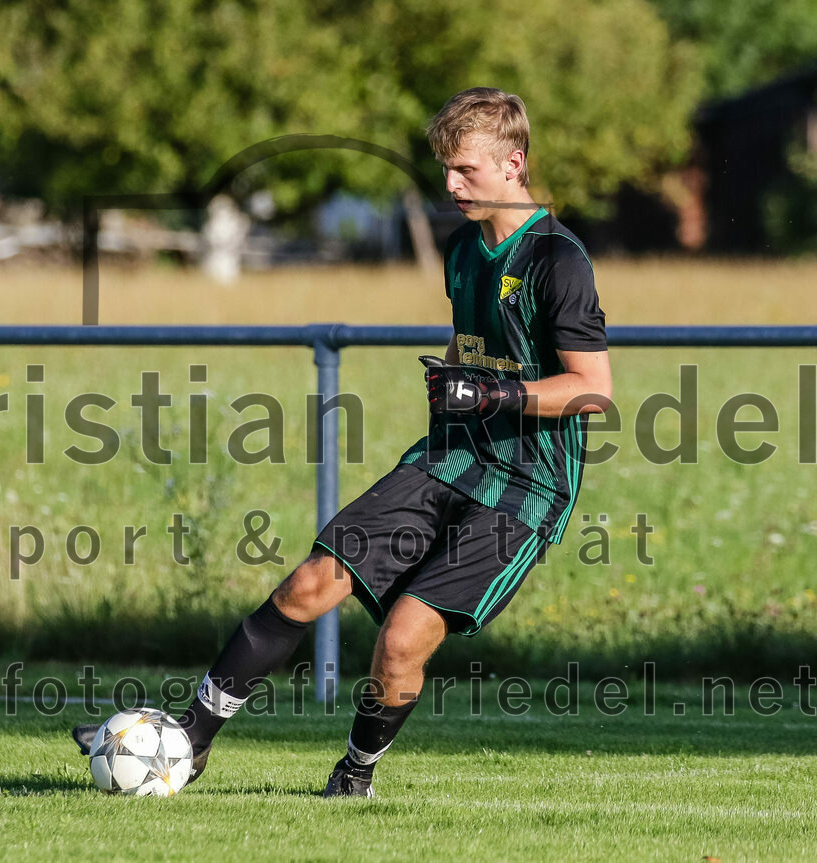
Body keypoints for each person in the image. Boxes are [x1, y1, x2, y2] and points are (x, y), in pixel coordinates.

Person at [73, 86, 612, 797]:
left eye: (466, 171)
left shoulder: (557, 259)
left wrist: (494, 393)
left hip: (526, 488)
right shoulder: (463, 249)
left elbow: (592, 386)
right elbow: (476, 341)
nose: (450, 185)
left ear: (514, 163)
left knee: (400, 641)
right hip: (450, 461)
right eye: (444, 170)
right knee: (306, 584)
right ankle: (188, 741)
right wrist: (456, 374)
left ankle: (355, 773)